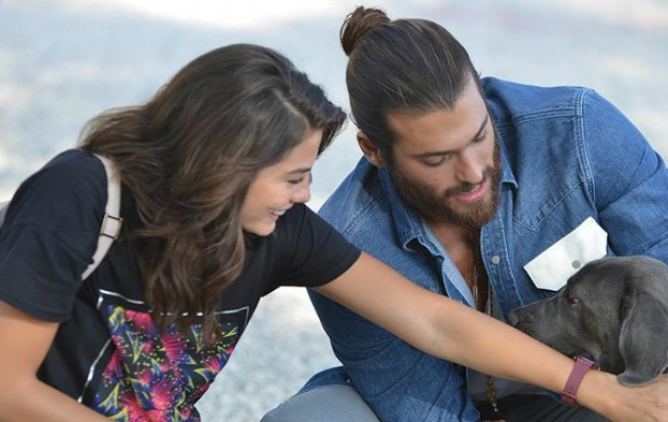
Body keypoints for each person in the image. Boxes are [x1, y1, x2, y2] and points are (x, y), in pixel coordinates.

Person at [0, 45, 665, 422]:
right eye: (292, 176)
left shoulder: (280, 231)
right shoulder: (81, 193)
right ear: (222, 165)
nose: (306, 195)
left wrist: (594, 387)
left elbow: (436, 322)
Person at [261, 6, 668, 422]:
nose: (473, 172)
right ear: (374, 151)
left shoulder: (579, 131)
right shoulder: (346, 241)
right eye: (437, 159)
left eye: (480, 136)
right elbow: (427, 400)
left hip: (588, 398)